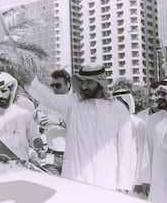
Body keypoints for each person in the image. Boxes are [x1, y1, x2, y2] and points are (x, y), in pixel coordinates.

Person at [23, 64, 133, 192]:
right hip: (75, 178)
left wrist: (123, 185)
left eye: (89, 82)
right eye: (81, 82)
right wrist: (29, 78)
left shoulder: (118, 109)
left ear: (100, 82)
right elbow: (46, 96)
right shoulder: (72, 103)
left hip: (106, 179)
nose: (84, 86)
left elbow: (125, 149)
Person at [0, 72, 43, 161]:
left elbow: (35, 141)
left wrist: (38, 143)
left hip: (20, 168)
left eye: (4, 91)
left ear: (11, 91)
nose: (0, 96)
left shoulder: (23, 115)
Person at [34, 69, 71, 175]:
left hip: (69, 156)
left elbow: (79, 127)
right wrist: (38, 114)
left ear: (68, 85)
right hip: (51, 155)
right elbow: (33, 117)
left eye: (58, 85)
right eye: (52, 85)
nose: (54, 88)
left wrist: (58, 122)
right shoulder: (47, 103)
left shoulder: (74, 103)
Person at [113, 89, 148, 199]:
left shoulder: (139, 123)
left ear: (128, 103)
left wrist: (138, 180)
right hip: (114, 173)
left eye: (120, 103)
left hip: (133, 174)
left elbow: (142, 152)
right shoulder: (111, 121)